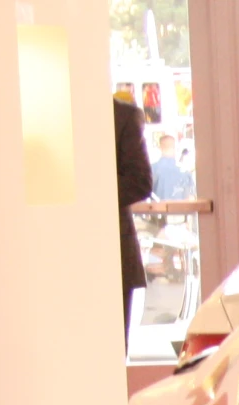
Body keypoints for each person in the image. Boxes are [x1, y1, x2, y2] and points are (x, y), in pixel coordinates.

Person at [113, 94, 151, 326]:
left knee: (112, 350)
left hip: (114, 250)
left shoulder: (122, 116)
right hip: (54, 252)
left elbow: (139, 182)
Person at [148, 132, 191, 202]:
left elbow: (144, 195)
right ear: (175, 147)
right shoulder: (185, 170)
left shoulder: (151, 170)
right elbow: (190, 197)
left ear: (160, 147)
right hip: (181, 211)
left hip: (158, 211)